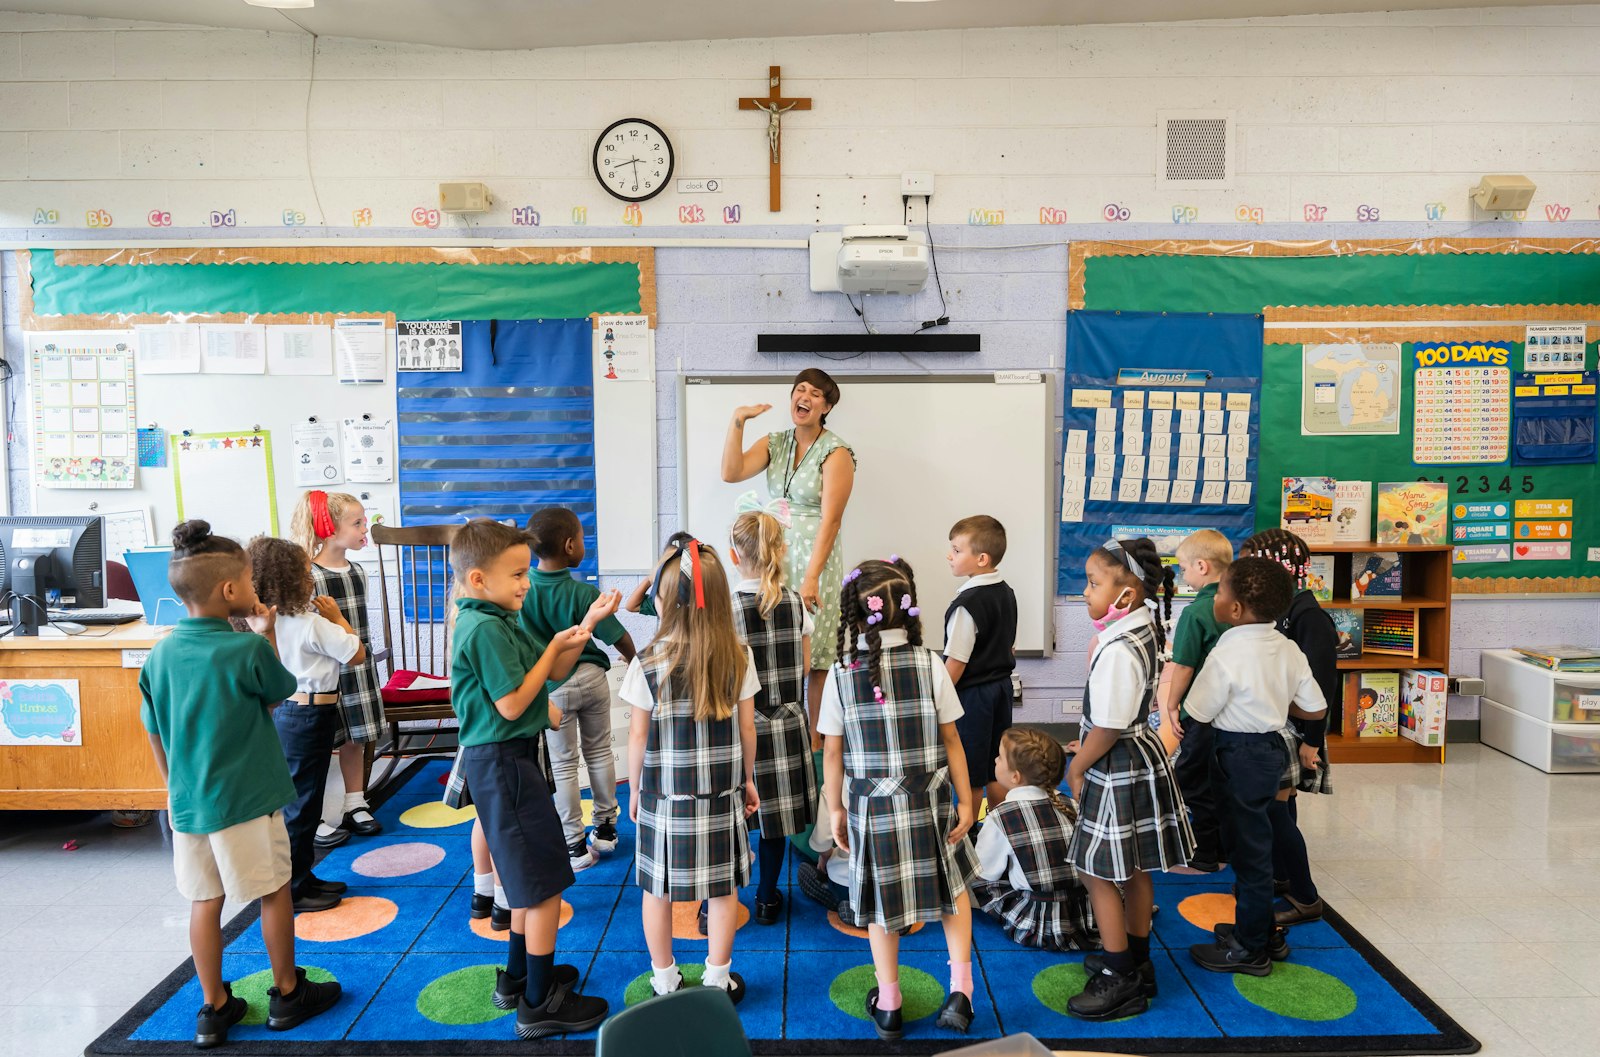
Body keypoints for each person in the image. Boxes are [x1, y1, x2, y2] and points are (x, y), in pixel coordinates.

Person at [140, 521, 341, 1047]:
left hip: (189, 802)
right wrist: (267, 634)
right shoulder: (245, 649)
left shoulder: (158, 655)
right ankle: (288, 992)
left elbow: (154, 731)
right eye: (251, 580)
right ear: (230, 591)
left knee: (205, 901)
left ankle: (214, 1007)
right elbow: (280, 689)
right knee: (273, 892)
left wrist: (173, 788)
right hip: (249, 800)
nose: (256, 589)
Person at [449, 518, 618, 1038]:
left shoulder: (496, 619)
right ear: (479, 579)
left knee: (527, 884)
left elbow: (550, 673)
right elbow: (515, 700)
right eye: (518, 574)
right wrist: (551, 652)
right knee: (544, 887)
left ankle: (521, 977)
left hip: (512, 759)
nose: (526, 583)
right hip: (503, 763)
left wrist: (584, 627)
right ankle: (540, 1005)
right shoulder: (482, 629)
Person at [821, 557, 978, 1039]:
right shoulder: (930, 662)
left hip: (872, 807)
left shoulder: (841, 672)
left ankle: (888, 1004)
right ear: (908, 609)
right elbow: (952, 739)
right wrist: (968, 802)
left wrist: (835, 810)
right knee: (953, 890)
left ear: (852, 612)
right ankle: (961, 991)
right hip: (929, 801)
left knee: (880, 903)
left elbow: (832, 750)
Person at [621, 538, 760, 1003]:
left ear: (665, 603)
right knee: (723, 890)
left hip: (665, 796)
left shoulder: (647, 661)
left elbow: (638, 737)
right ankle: (718, 981)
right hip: (722, 796)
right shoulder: (738, 656)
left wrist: (636, 790)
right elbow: (746, 730)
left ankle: (665, 980)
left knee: (657, 890)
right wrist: (748, 780)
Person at [1182, 557, 1328, 975]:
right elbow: (1315, 708)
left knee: (1248, 853)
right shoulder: (1288, 648)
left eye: (1222, 590)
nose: (1217, 597)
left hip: (1236, 755)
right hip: (1272, 750)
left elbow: (1200, 711)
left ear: (1234, 609)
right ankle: (1264, 931)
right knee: (1259, 840)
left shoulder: (1227, 650)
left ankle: (1249, 950)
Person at [1067, 538, 1192, 1021]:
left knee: (1096, 870)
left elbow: (1109, 725)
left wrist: (1078, 765)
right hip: (1134, 755)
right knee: (1135, 866)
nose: (1085, 592)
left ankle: (1120, 978)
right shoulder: (1141, 628)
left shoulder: (1120, 646)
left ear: (1127, 595)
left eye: (1095, 583)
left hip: (1115, 760)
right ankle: (1137, 961)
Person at [721, 368, 856, 747]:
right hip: (773, 557)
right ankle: (766, 734)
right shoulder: (776, 442)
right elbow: (730, 473)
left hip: (816, 563)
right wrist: (738, 421)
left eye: (816, 394)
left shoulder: (837, 451)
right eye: (801, 390)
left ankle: (814, 744)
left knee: (816, 661)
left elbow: (831, 520)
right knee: (769, 648)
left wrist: (812, 577)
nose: (806, 397)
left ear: (826, 406)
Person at [246, 535, 367, 914]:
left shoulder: (267, 620)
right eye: (304, 571)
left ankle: (304, 875)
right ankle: (295, 887)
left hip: (288, 714)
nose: (311, 577)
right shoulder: (312, 622)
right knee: (303, 804)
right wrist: (339, 618)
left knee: (304, 799)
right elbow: (357, 654)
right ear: (290, 579)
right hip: (309, 715)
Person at [522, 506, 636, 874]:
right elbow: (618, 636)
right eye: (583, 538)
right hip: (591, 678)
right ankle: (605, 828)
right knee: (600, 752)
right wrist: (636, 663)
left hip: (552, 688)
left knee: (564, 764)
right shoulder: (583, 592)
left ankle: (573, 844)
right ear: (570, 546)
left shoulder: (523, 591)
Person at [1240, 529, 1334, 930]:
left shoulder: (1309, 617)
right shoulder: (1279, 613)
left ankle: (1306, 895)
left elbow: (1322, 688)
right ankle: (1282, 876)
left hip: (1296, 735)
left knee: (1277, 811)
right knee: (1279, 808)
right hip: (1275, 730)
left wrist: (1313, 742)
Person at [729, 509, 816, 924]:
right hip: (786, 724)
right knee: (776, 821)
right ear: (780, 551)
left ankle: (719, 904)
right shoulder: (797, 603)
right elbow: (803, 667)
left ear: (733, 556)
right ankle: (766, 899)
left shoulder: (724, 610)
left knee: (731, 817)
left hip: (738, 728)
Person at [290, 490, 386, 852]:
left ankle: (355, 802)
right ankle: (310, 815)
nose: (366, 528)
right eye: (357, 523)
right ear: (329, 528)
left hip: (356, 662)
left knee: (355, 738)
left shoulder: (358, 571)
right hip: (324, 670)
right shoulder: (309, 575)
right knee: (322, 741)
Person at [972, 727, 1096, 952]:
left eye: (1000, 757)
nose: (995, 759)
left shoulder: (1000, 817)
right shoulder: (1073, 805)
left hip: (1040, 919)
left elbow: (981, 872)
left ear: (1015, 776)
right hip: (1089, 909)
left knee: (968, 882)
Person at [1159, 528, 1234, 872]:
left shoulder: (1196, 612)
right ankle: (1222, 847)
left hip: (1203, 711)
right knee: (1222, 778)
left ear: (1202, 567)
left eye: (1184, 567)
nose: (1181, 574)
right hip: (1236, 712)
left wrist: (1173, 705)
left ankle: (1204, 853)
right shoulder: (1238, 605)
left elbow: (1184, 666)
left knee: (1191, 776)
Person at [944, 514, 1018, 819]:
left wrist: (937, 697)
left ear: (981, 559)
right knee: (994, 766)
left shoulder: (967, 606)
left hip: (972, 698)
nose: (949, 555)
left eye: (957, 550)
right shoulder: (1006, 592)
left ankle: (968, 838)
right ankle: (1001, 832)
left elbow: (956, 662)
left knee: (970, 772)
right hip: (1001, 689)